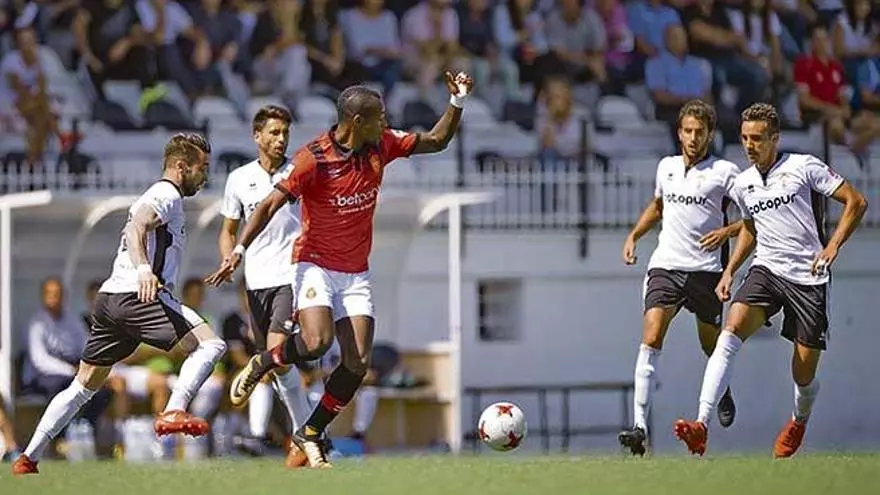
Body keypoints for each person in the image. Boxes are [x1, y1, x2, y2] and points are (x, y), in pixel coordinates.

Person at [205, 71, 474, 468]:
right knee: (316, 342)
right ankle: (265, 360)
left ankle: (310, 431)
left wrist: (457, 101)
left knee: (358, 362)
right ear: (357, 121)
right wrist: (239, 249)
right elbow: (268, 206)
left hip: (355, 272)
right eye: (379, 116)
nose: (386, 122)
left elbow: (437, 140)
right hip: (314, 263)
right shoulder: (313, 158)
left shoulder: (383, 143)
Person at [13, 133, 227, 475]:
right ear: (181, 166)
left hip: (110, 299)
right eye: (202, 167)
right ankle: (174, 409)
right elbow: (137, 226)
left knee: (83, 385)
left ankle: (28, 457)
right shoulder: (166, 193)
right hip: (138, 296)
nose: (205, 176)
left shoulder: (161, 195)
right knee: (211, 345)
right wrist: (144, 270)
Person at [674, 103, 868, 457]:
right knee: (730, 331)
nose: (750, 145)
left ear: (775, 139)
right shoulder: (744, 183)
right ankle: (701, 424)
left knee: (803, 373)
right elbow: (751, 228)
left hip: (808, 278)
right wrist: (730, 270)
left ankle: (798, 420)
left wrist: (832, 247)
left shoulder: (803, 167)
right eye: (745, 138)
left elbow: (856, 202)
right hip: (766, 270)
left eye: (758, 138)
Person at [618, 99, 742, 456]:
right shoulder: (666, 167)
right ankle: (640, 427)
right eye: (687, 131)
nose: (693, 137)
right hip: (666, 267)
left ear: (710, 134)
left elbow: (752, 218)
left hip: (706, 272)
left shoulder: (725, 172)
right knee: (651, 337)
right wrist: (634, 235)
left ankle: (723, 389)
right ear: (679, 133)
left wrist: (726, 231)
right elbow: (658, 206)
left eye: (699, 131)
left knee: (710, 345)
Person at [217, 105, 313, 466]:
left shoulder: (299, 171)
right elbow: (227, 231)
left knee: (273, 351)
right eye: (274, 132)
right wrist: (229, 257)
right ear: (257, 136)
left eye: (285, 132)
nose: (281, 139)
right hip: (256, 283)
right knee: (277, 367)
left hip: (292, 276)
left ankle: (295, 437)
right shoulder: (239, 179)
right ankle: (309, 435)